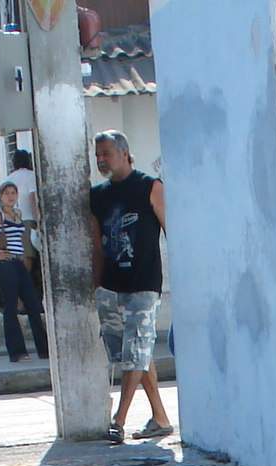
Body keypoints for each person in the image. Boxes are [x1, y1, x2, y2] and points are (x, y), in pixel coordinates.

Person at [87, 131, 173, 444]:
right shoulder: (97, 196)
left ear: (124, 153)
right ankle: (160, 418)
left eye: (107, 153)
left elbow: (171, 229)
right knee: (131, 354)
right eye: (98, 154)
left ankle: (118, 421)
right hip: (111, 286)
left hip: (144, 284)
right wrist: (97, 285)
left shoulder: (149, 186)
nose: (101, 160)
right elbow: (97, 245)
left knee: (136, 351)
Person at [0, 179, 48, 364]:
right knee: (11, 306)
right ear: (1, 196)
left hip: (18, 263)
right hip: (5, 265)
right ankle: (17, 352)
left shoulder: (17, 214)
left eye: (13, 193)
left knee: (33, 304)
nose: (10, 196)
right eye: (7, 193)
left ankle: (44, 349)